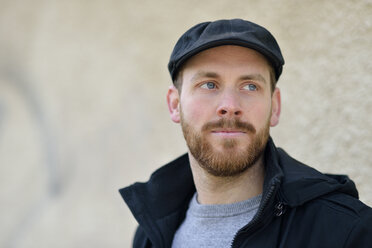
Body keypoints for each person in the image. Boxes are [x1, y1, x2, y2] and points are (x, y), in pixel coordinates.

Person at [119, 19, 372, 247]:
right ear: (175, 105)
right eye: (209, 84)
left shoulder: (345, 233)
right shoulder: (150, 236)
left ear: (275, 107)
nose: (230, 105)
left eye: (250, 86)